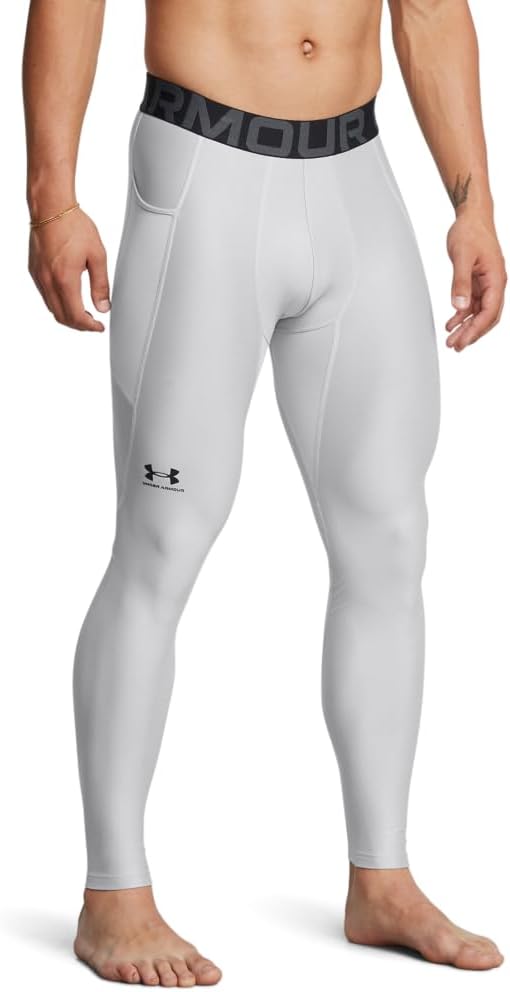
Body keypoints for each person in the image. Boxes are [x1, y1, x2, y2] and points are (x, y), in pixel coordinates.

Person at [23, 0, 506, 984]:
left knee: (390, 540)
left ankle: (382, 879)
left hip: (359, 180)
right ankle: (113, 894)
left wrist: (474, 199)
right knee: (163, 539)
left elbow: (428, 7)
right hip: (204, 174)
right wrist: (52, 196)